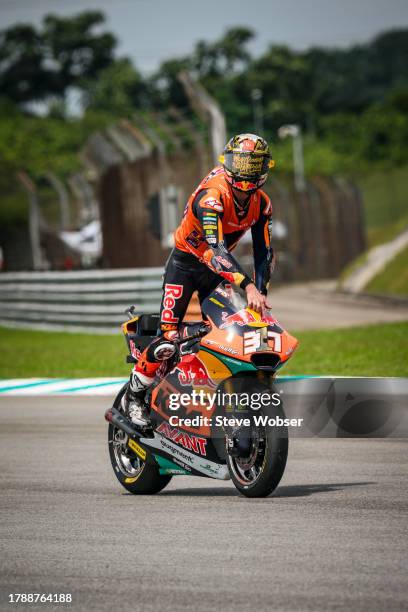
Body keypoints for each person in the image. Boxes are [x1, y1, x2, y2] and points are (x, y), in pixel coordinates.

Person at [122, 133, 276, 426]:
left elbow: (264, 253)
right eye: (240, 163)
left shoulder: (263, 205)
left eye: (253, 164)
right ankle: (135, 395)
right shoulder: (212, 196)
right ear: (228, 162)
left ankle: (219, 394)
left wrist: (263, 292)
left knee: (233, 330)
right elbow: (216, 250)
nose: (246, 172)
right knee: (168, 341)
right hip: (186, 264)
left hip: (215, 273)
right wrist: (249, 287)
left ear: (265, 168)